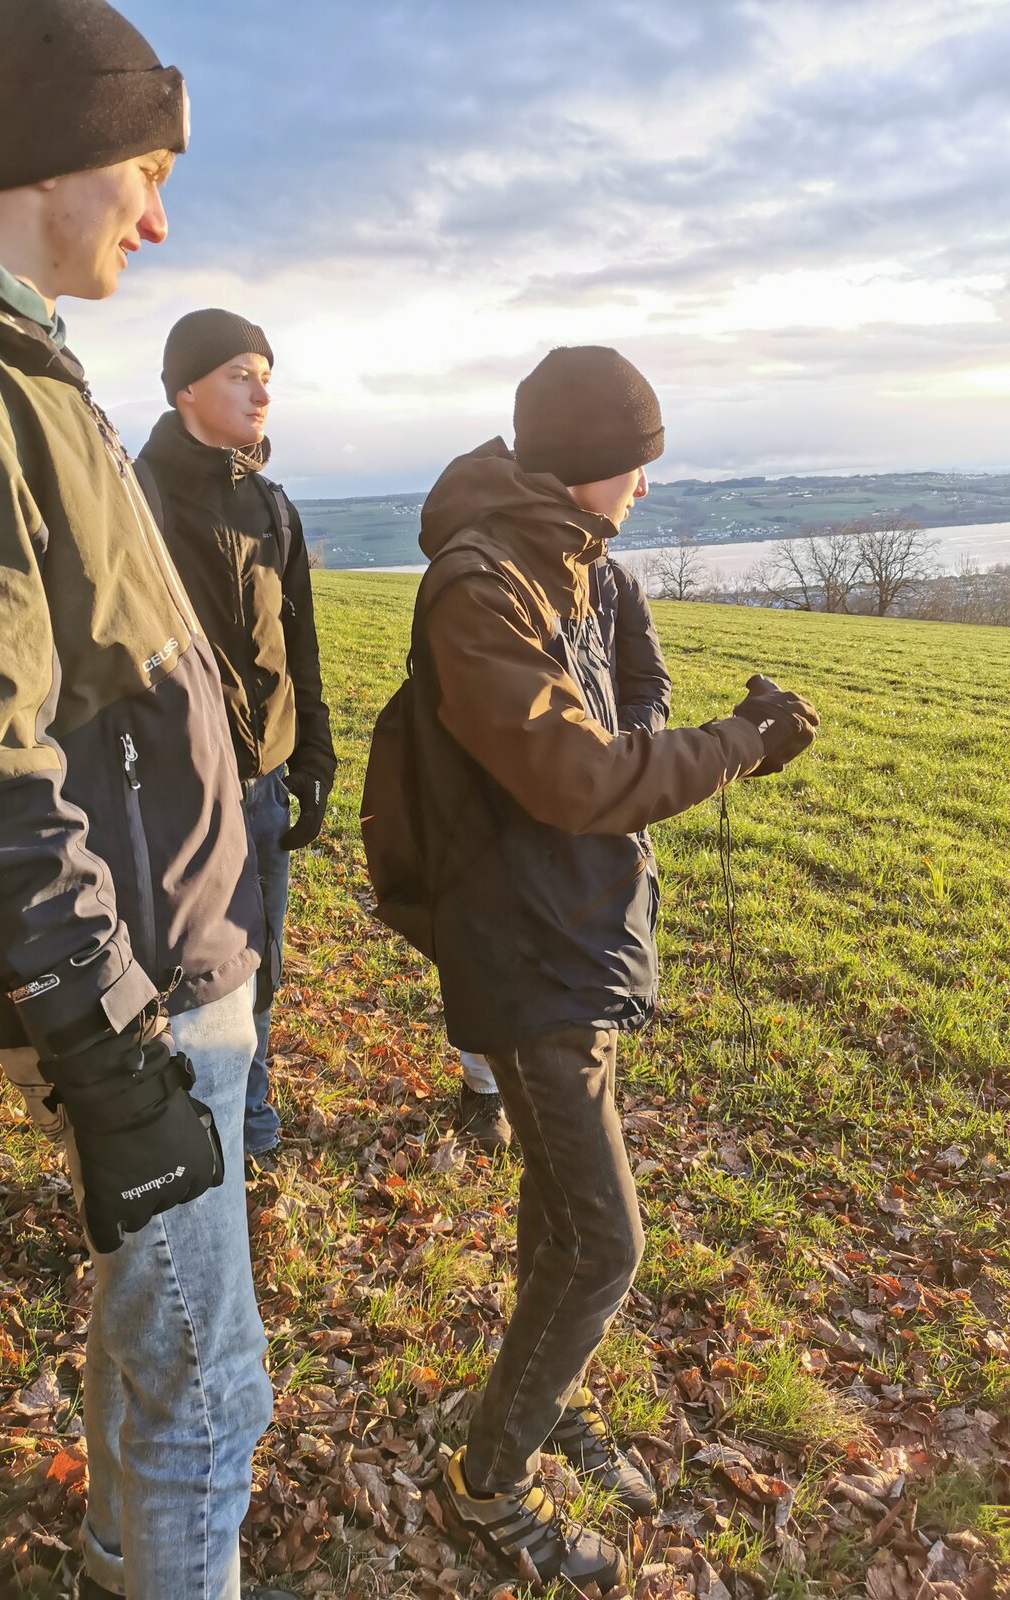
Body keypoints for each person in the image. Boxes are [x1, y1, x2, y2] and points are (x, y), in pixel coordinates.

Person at [0, 3, 296, 1597]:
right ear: (52, 152)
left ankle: (113, 1556)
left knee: (165, 1351)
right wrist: (105, 1047)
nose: (158, 221)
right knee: (212, 1392)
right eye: (147, 173)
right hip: (136, 986)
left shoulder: (2, 343)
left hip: (172, 954)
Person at [396, 346, 818, 1588]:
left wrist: (674, 731)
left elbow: (621, 715)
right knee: (606, 1240)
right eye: (636, 461)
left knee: (562, 1204)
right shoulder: (481, 585)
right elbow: (574, 777)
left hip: (577, 924)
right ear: (587, 460)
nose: (645, 483)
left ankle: (547, 1395)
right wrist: (735, 746)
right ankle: (488, 1482)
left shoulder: (573, 563)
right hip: (522, 940)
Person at [136, 312, 335, 1173]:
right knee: (185, 978)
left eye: (267, 376)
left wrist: (314, 757)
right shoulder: (134, 501)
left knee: (261, 968)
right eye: (239, 374)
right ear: (186, 388)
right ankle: (186, 1135)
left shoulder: (271, 507)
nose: (261, 393)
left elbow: (300, 644)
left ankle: (249, 1124)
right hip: (176, 790)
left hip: (264, 783)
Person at [454, 553, 672, 1152]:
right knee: (497, 953)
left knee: (594, 953)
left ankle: (580, 1099)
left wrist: (616, 751)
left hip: (603, 806)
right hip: (513, 804)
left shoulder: (617, 584)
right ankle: (482, 1089)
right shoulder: (499, 577)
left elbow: (651, 683)